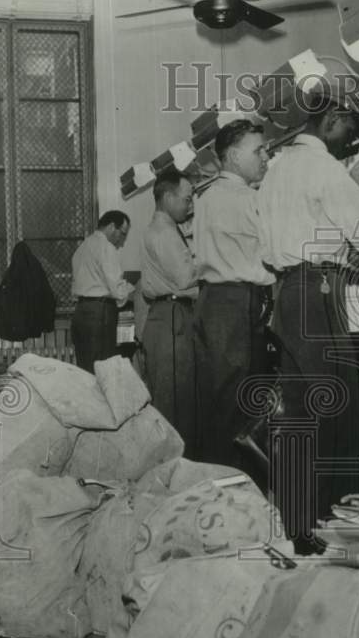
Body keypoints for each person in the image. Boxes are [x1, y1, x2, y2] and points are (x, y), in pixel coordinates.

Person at [258, 93, 359, 548]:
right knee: (339, 403)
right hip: (317, 293)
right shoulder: (324, 169)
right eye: (350, 129)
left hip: (291, 293)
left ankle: (300, 521)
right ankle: (334, 519)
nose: (349, 140)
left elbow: (298, 240)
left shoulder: (276, 170)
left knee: (301, 413)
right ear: (332, 119)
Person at [192, 120, 275, 470]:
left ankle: (217, 482)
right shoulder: (248, 198)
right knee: (242, 404)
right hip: (239, 303)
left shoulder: (206, 197)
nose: (266, 156)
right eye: (259, 150)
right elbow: (272, 253)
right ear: (234, 156)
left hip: (211, 301)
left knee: (219, 398)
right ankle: (239, 484)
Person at [139, 170, 198, 450]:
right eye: (186, 199)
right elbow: (186, 277)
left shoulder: (164, 229)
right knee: (175, 402)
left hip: (166, 316)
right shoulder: (164, 232)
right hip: (173, 317)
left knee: (172, 398)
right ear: (167, 197)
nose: (191, 205)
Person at [70, 210, 133, 374]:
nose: (123, 242)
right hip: (100, 314)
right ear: (112, 227)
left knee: (85, 370)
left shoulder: (83, 246)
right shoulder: (106, 247)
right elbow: (118, 290)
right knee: (103, 370)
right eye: (123, 234)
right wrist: (134, 289)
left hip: (81, 312)